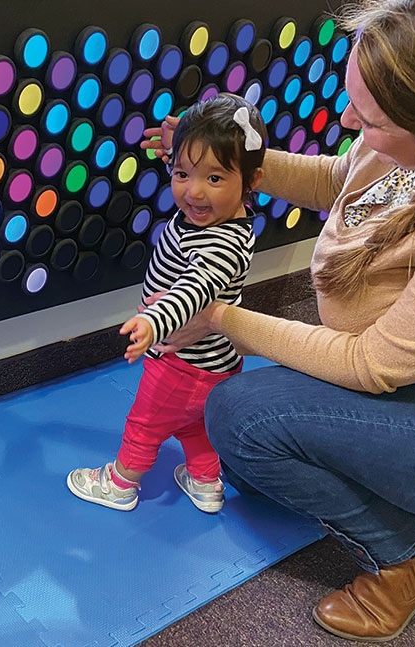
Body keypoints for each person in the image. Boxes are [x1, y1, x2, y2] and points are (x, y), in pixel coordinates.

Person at [142, 0, 415, 641]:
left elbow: (369, 362)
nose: (346, 122)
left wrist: (220, 315)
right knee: (249, 466)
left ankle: (414, 557)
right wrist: (230, 159)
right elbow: (343, 180)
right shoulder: (407, 153)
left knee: (240, 417)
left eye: (368, 118)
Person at [67, 94, 267, 514]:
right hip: (216, 363)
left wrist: (155, 324)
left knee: (146, 422)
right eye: (181, 173)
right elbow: (197, 177)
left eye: (214, 179)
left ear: (252, 182)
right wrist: (183, 151)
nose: (193, 192)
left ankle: (122, 483)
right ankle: (206, 481)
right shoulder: (224, 217)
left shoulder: (221, 243)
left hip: (181, 359)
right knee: (196, 423)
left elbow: (193, 290)